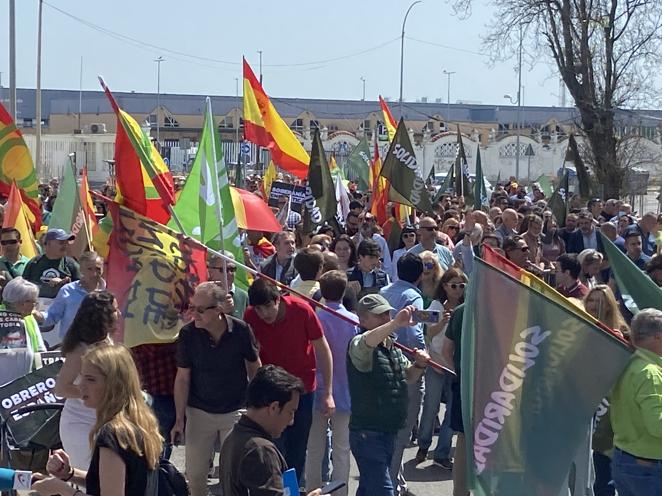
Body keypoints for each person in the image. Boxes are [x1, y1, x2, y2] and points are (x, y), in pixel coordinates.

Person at [32, 345, 163, 496]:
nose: (81, 385)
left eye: (91, 379)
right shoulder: (136, 421)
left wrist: (63, 491)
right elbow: (115, 482)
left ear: (114, 385)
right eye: (82, 377)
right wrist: (70, 474)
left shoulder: (112, 433)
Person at [172, 282, 261, 496]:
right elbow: (182, 378)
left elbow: (255, 368)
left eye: (200, 310)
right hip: (199, 411)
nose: (194, 314)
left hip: (235, 411)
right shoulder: (188, 334)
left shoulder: (241, 330)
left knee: (234, 477)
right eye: (191, 308)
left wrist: (258, 408)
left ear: (219, 310)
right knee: (194, 477)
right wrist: (179, 419)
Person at [244, 278, 335, 482]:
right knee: (274, 447)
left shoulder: (302, 310)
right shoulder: (250, 317)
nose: (264, 313)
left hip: (303, 391)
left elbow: (322, 349)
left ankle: (291, 490)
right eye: (258, 308)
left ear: (278, 300)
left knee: (297, 449)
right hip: (271, 394)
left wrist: (328, 393)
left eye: (268, 306)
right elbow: (251, 355)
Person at [347, 296, 429, 496]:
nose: (386, 317)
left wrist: (419, 364)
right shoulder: (359, 343)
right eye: (380, 315)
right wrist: (395, 323)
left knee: (369, 489)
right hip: (368, 433)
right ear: (363, 320)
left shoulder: (390, 346)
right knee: (383, 491)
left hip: (388, 431)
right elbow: (367, 342)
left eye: (387, 313)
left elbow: (408, 376)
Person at [220, 365, 323, 496]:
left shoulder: (233, 436)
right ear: (274, 407)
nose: (291, 421)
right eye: (290, 412)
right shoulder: (260, 451)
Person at [305, 271, 357, 496]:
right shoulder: (352, 321)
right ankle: (340, 492)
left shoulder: (316, 318)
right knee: (342, 449)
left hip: (318, 389)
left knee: (314, 448)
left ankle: (312, 489)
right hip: (345, 391)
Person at [379, 254, 426, 494]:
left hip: (383, 363)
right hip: (407, 366)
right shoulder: (413, 296)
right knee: (402, 430)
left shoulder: (384, 291)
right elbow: (413, 334)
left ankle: (396, 481)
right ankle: (390, 487)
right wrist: (422, 357)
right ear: (420, 275)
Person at [54, 292, 118, 470]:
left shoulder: (107, 341)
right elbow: (61, 388)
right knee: (88, 476)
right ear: (103, 316)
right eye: (114, 310)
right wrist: (96, 392)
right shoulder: (80, 349)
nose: (118, 314)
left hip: (105, 421)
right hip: (80, 423)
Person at [416, 268, 467, 470]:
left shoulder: (465, 309)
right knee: (430, 407)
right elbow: (427, 334)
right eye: (453, 285)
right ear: (444, 286)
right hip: (436, 364)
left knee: (451, 413)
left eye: (461, 286)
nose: (457, 290)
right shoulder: (435, 306)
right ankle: (423, 444)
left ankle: (442, 453)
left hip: (454, 366)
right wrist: (443, 321)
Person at [610, 309, 662, 495]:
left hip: (627, 459)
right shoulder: (650, 373)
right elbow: (657, 425)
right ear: (658, 337)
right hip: (648, 467)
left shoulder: (627, 362)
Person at [38, 251, 106, 339]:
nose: (94, 274)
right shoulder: (68, 291)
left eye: (98, 269)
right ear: (81, 269)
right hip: (73, 346)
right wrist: (36, 315)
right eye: (89, 269)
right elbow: (52, 316)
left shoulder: (108, 291)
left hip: (100, 345)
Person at [0, 277, 46, 386]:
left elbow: (40, 350)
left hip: (24, 387)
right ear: (22, 303)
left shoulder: (29, 319)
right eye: (34, 302)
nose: (35, 306)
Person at [22, 228, 80, 299]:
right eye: (61, 243)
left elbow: (81, 288)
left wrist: (67, 284)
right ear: (48, 244)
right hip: (37, 306)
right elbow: (23, 287)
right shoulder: (34, 263)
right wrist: (47, 286)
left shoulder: (71, 264)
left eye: (66, 242)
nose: (65, 246)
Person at [207, 251, 249, 319]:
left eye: (232, 269)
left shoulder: (243, 296)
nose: (229, 273)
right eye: (223, 269)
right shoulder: (203, 295)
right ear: (211, 271)